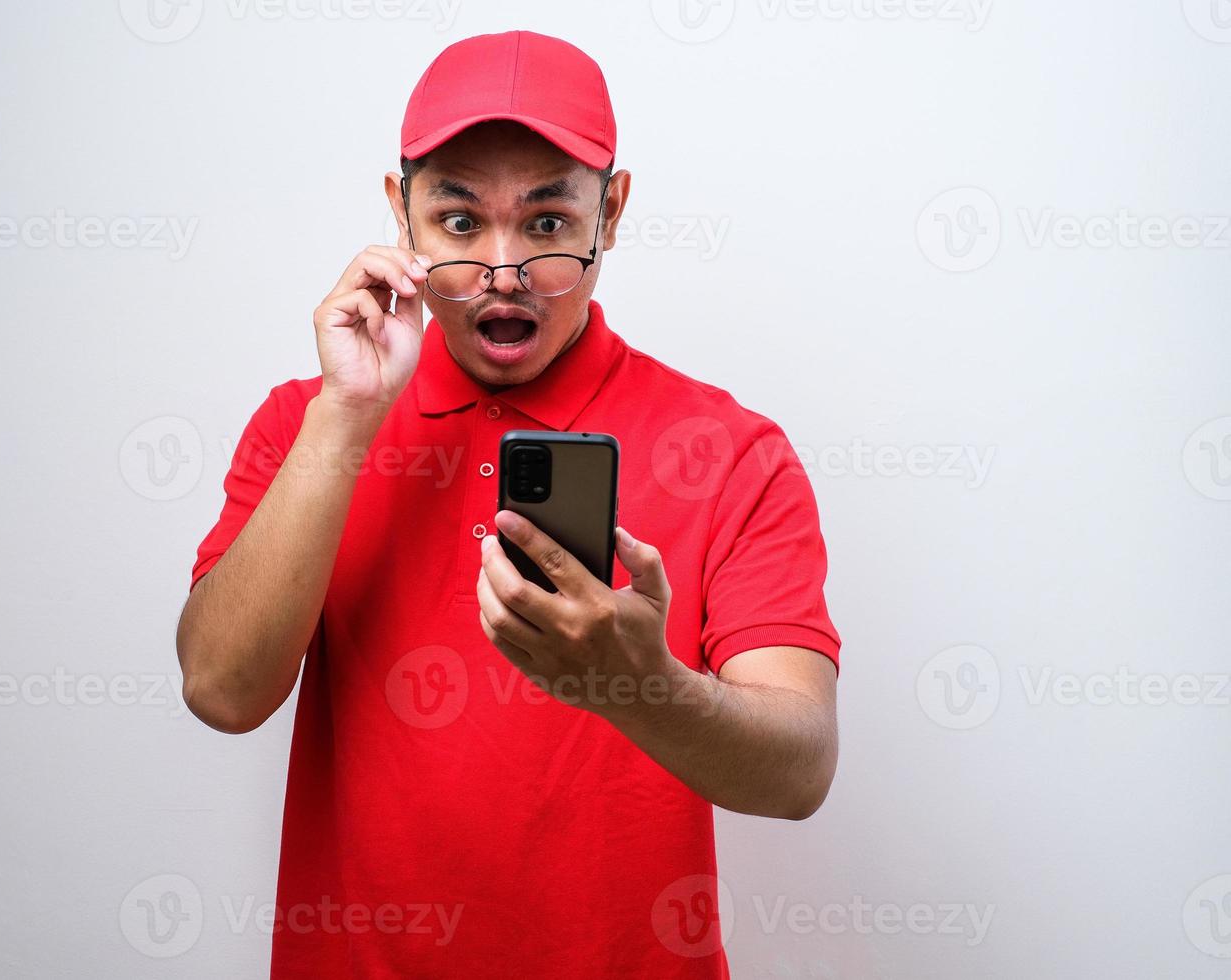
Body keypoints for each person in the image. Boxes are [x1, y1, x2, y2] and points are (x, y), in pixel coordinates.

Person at [176, 29, 841, 979]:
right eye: (457, 222)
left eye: (545, 223)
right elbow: (221, 692)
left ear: (610, 210)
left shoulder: (734, 454)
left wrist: (634, 684)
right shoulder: (307, 423)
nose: (503, 269)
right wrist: (349, 417)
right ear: (398, 213)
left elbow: (800, 769)